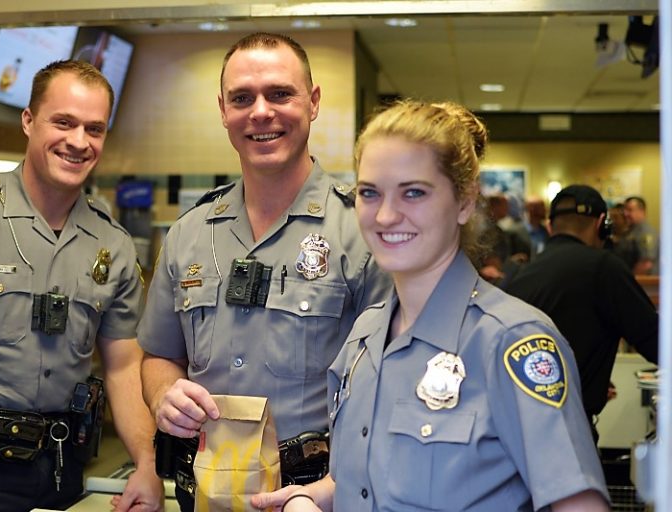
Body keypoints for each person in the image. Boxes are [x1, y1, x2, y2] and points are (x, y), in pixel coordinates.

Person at [254, 100, 610, 511]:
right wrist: (311, 497)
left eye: (414, 193)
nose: (386, 215)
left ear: (464, 201)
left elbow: (580, 504)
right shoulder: (366, 337)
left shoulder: (511, 342)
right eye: (370, 193)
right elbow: (366, 480)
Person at [137, 32, 390, 511]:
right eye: (242, 98)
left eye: (279, 94)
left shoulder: (364, 229)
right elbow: (157, 355)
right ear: (223, 110)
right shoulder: (189, 233)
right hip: (207, 489)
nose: (260, 112)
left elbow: (395, 378)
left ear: (313, 102)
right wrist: (162, 395)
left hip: (317, 495)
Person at [0, 60, 163, 512]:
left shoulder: (113, 243)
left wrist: (147, 465)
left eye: (95, 128)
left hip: (61, 466)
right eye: (64, 122)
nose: (78, 141)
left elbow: (123, 366)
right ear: (29, 121)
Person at [505, 185, 658, 443]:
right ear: (602, 224)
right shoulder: (603, 268)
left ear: (551, 226)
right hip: (567, 434)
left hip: (514, 432)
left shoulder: (521, 274)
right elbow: (656, 341)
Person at [622, 195, 660, 275]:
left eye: (629, 210)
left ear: (642, 211)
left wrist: (629, 281)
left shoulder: (645, 232)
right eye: (624, 210)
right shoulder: (632, 231)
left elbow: (646, 264)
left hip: (643, 284)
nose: (625, 213)